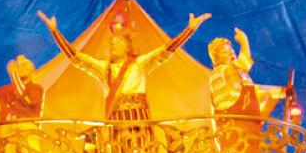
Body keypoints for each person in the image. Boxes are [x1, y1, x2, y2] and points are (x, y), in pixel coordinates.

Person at [38, 9, 209, 122]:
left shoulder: (139, 63)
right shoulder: (103, 68)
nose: (113, 45)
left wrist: (189, 30)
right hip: (115, 118)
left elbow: (166, 51)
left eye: (118, 42)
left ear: (128, 47)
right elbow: (75, 57)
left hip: (139, 116)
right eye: (112, 43)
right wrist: (55, 31)